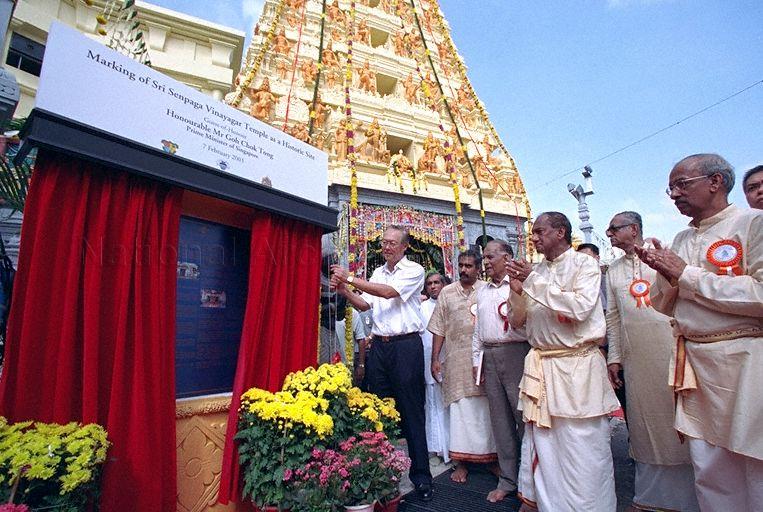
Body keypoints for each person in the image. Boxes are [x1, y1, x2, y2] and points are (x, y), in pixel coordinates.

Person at [636, 154, 763, 511]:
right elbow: (663, 306)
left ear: (716, 182)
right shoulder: (681, 237)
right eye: (671, 188)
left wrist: (687, 274)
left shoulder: (753, 223)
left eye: (682, 184)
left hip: (746, 360)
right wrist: (664, 273)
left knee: (754, 462)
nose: (674, 194)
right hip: (694, 361)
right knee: (709, 467)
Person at [507, 212, 619, 512]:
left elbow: (580, 308)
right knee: (546, 447)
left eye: (540, 231)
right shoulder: (535, 271)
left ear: (561, 232)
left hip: (577, 369)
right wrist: (516, 292)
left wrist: (532, 280)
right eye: (533, 233)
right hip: (542, 367)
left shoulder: (585, 264)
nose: (534, 238)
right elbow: (517, 323)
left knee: (582, 449)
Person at [330, 226, 434, 501]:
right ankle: (380, 474)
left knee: (411, 411)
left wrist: (350, 277)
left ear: (404, 247)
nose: (386, 247)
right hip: (380, 347)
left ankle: (422, 477)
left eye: (392, 243)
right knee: (376, 409)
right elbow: (365, 305)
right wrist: (344, 290)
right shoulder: (377, 273)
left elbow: (388, 294)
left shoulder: (414, 270)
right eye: (383, 242)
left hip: (405, 346)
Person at [605, 211, 698, 512]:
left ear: (633, 230)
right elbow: (614, 316)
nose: (608, 234)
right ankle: (651, 498)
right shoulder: (613, 271)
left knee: (678, 421)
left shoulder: (663, 256)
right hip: (636, 357)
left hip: (670, 350)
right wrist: (615, 357)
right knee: (644, 425)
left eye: (614, 229)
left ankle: (693, 497)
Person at [429, 251, 497, 485]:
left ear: (478, 268)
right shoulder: (447, 293)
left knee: (487, 411)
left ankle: (492, 460)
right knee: (460, 413)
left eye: (469, 265)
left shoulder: (488, 290)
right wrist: (435, 358)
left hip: (484, 361)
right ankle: (462, 463)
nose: (464, 269)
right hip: (456, 361)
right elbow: (439, 327)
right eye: (461, 265)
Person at [470, 241, 527, 502]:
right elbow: (478, 331)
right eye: (484, 258)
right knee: (500, 421)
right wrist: (476, 361)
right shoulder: (482, 291)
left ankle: (530, 481)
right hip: (489, 356)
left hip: (518, 353)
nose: (487, 262)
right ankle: (508, 479)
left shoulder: (522, 284)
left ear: (507, 257)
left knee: (524, 418)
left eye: (491, 257)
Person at [420, 272, 449, 464]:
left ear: (444, 284)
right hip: (427, 362)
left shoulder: (450, 303)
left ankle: (452, 449)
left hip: (450, 360)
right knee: (432, 403)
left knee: (449, 405)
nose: (433, 286)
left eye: (437, 282)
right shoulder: (421, 308)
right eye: (429, 283)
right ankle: (435, 447)